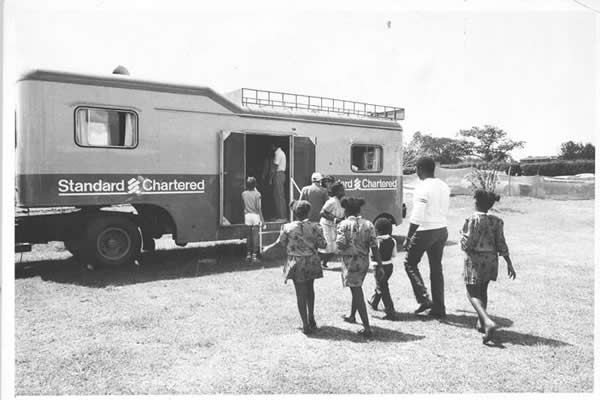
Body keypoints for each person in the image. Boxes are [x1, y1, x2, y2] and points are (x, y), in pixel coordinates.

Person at [460, 190, 516, 343]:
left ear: (476, 202)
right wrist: (509, 263)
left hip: (475, 259)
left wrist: (462, 239)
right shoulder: (497, 221)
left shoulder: (472, 219)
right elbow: (501, 243)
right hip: (491, 260)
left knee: (471, 293)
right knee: (483, 289)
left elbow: (468, 243)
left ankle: (487, 321)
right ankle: (481, 322)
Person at [263, 200, 326, 334]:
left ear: (295, 213)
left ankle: (305, 324)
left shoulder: (287, 227)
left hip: (296, 262)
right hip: (312, 261)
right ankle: (311, 317)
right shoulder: (316, 227)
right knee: (310, 289)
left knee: (300, 293)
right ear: (308, 212)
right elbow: (323, 245)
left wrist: (266, 249)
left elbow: (280, 243)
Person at [403, 156, 450, 318]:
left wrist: (409, 238)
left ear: (420, 169)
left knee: (410, 263)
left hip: (426, 230)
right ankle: (439, 307)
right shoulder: (444, 186)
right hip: (441, 229)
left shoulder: (422, 187)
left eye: (416, 169)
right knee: (436, 268)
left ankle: (424, 299)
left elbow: (417, 215)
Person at [336, 197, 383, 338]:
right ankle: (352, 315)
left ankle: (367, 327)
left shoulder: (343, 224)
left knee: (356, 291)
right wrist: (379, 265)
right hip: (364, 262)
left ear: (346, 210)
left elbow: (340, 244)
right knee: (356, 287)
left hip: (350, 262)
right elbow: (374, 246)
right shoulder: (368, 224)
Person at [367, 218, 398, 320]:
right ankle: (374, 302)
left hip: (378, 267)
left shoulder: (376, 241)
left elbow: (372, 254)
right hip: (389, 266)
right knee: (382, 284)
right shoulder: (393, 240)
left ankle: (390, 311)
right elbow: (394, 255)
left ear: (377, 230)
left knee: (382, 288)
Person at [319, 181, 345, 268]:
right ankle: (317, 262)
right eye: (341, 191)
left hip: (334, 226)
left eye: (343, 190)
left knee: (335, 248)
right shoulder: (332, 201)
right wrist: (334, 219)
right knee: (327, 246)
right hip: (326, 226)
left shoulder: (341, 201)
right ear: (336, 192)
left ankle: (323, 263)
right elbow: (322, 213)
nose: (343, 192)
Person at [241, 177, 264, 262]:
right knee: (255, 237)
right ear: (255, 185)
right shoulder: (257, 194)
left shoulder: (244, 194)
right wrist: (262, 220)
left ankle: (248, 255)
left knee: (248, 237)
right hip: (255, 216)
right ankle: (254, 257)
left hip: (247, 216)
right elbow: (258, 208)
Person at [272, 144, 287, 222]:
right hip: (279, 174)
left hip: (279, 174)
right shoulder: (280, 152)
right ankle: (279, 215)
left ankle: (282, 216)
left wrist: (271, 176)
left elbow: (275, 165)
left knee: (280, 195)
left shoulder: (278, 153)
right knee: (276, 195)